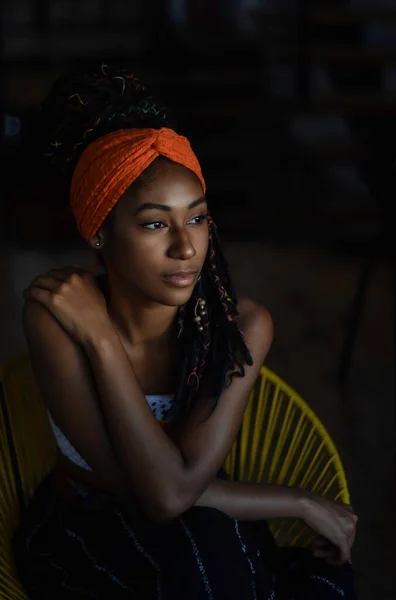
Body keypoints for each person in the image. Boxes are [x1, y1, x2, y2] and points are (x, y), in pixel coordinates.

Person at [12, 64, 357, 599]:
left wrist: (303, 503)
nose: (186, 247)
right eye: (155, 223)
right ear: (99, 232)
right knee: (209, 547)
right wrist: (298, 502)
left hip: (204, 525)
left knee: (292, 571)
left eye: (196, 218)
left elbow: (178, 491)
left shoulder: (243, 324)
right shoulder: (58, 316)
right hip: (88, 532)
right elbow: (157, 498)